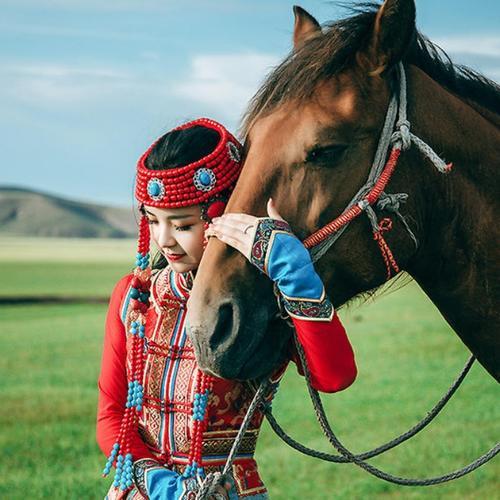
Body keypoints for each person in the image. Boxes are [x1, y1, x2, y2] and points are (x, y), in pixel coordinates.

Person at [96, 117, 357, 499]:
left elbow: (334, 377)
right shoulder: (135, 296)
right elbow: (111, 415)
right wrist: (155, 482)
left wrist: (295, 276)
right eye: (153, 221)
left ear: (223, 216)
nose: (164, 240)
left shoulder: (261, 301)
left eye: (183, 225)